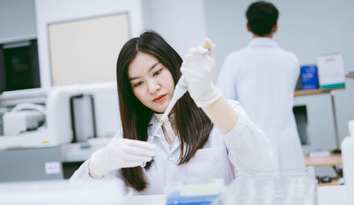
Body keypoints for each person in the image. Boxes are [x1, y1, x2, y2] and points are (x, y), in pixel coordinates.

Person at [70, 31, 272, 195]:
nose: (152, 87)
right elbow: (75, 197)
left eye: (157, 72)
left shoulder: (222, 115)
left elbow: (260, 165)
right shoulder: (131, 135)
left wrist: (209, 98)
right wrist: (97, 165)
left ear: (175, 67)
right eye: (138, 83)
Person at [217, 1, 305, 171]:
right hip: (286, 140)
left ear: (248, 26)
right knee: (292, 191)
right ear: (276, 27)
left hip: (251, 143)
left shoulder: (234, 61)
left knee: (258, 194)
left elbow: (223, 102)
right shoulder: (291, 59)